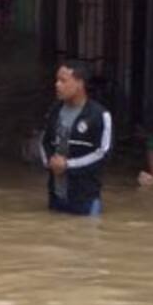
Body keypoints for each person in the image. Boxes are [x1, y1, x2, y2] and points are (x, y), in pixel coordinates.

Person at [38, 61, 112, 215]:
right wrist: (50, 162)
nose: (57, 85)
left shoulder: (99, 115)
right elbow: (44, 141)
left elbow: (103, 153)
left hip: (85, 199)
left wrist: (68, 165)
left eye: (63, 81)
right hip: (56, 197)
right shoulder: (54, 111)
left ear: (79, 84)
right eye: (57, 80)